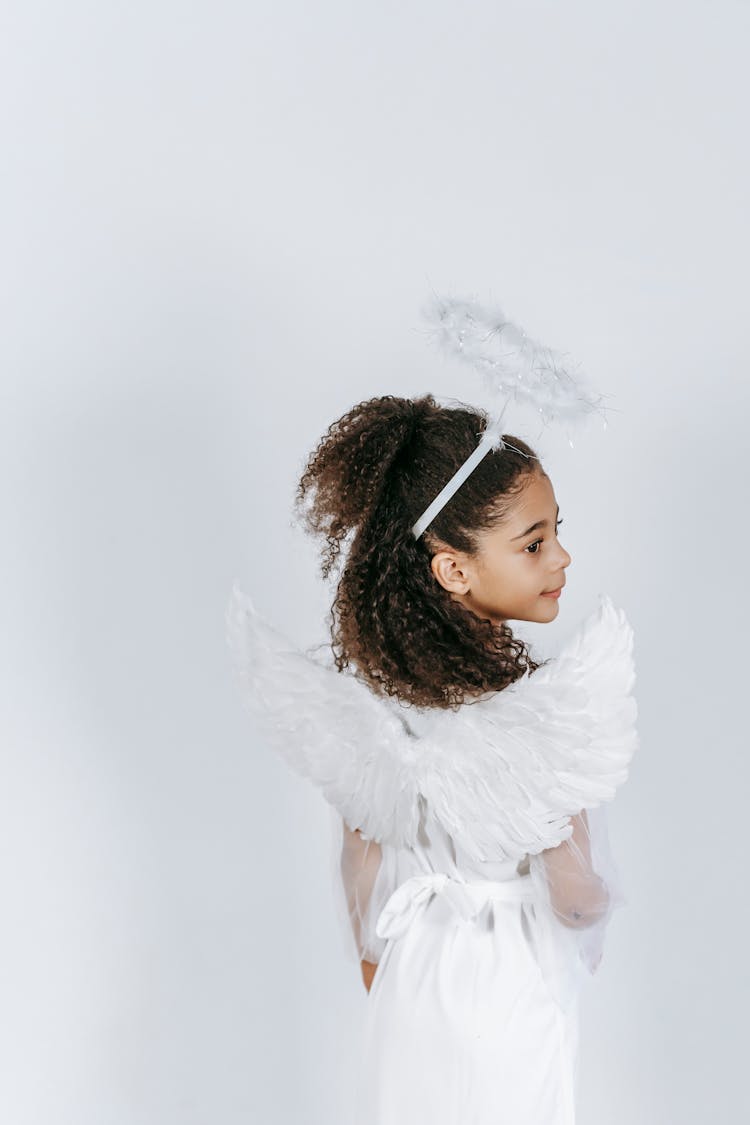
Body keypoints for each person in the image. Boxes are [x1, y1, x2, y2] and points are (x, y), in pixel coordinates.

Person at [226, 391, 638, 1124]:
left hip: (414, 975)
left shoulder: (377, 706)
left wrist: (386, 968)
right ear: (453, 569)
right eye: (534, 542)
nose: (561, 556)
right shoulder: (537, 717)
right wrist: (597, 906)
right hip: (510, 977)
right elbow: (572, 894)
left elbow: (360, 873)